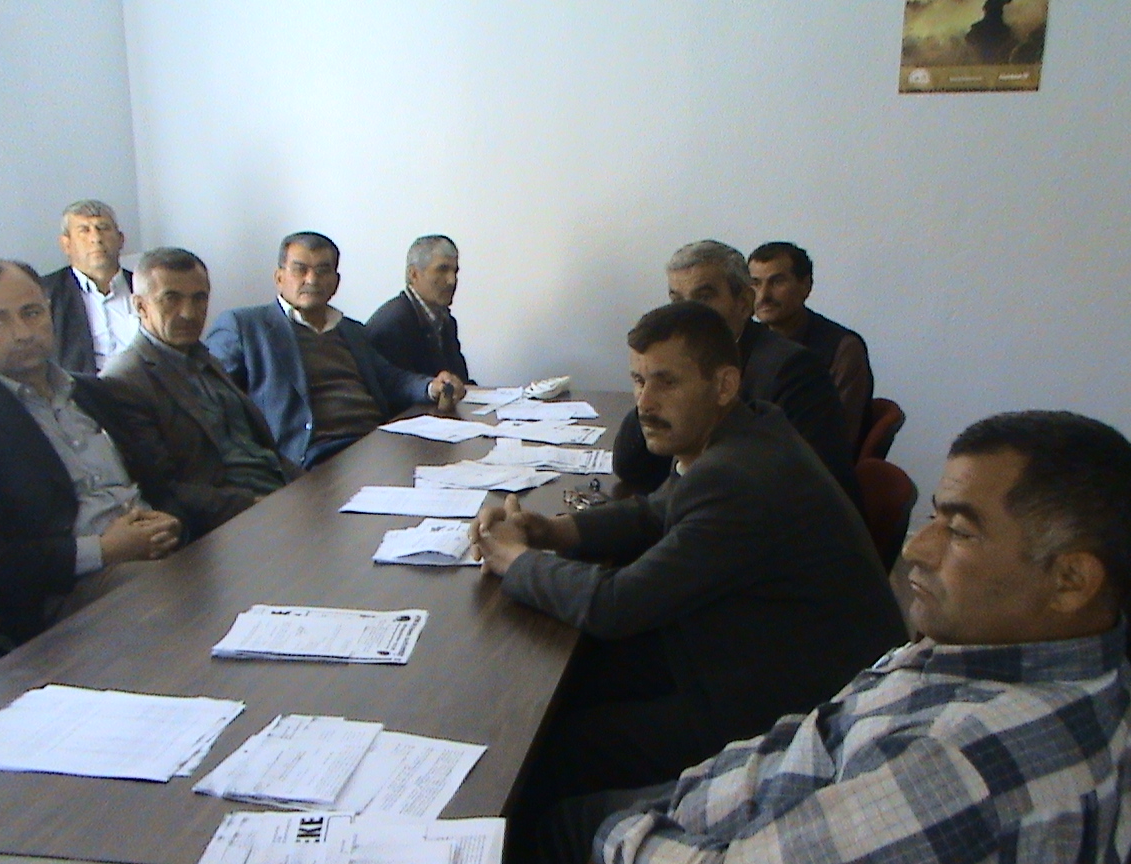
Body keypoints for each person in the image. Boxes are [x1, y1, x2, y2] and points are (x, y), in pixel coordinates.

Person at [559, 410, 1131, 864]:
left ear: (1071, 581)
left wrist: (617, 831)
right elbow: (825, 734)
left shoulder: (964, 763)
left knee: (552, 806)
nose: (917, 548)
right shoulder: (997, 647)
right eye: (934, 517)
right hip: (742, 791)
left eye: (959, 531)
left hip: (698, 834)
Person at [473, 302, 904, 846]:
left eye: (666, 382)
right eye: (638, 380)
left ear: (724, 385)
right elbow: (654, 511)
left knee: (556, 749)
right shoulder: (746, 430)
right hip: (749, 650)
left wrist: (516, 560)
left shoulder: (738, 476)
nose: (644, 402)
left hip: (784, 708)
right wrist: (550, 531)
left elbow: (615, 605)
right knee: (574, 687)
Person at [0, 259, 181, 645]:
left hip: (157, 552)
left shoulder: (92, 392)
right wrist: (103, 551)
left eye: (31, 312)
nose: (22, 332)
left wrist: (171, 521)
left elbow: (157, 480)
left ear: (49, 311)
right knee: (176, 597)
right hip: (66, 589)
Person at [612, 240, 859, 505]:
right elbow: (631, 466)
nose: (686, 314)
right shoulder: (681, 362)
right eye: (677, 301)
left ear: (744, 303)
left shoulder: (793, 370)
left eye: (703, 298)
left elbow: (797, 491)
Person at [204, 232, 466, 468]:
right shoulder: (245, 326)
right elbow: (215, 404)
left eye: (323, 270)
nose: (312, 279)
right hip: (314, 457)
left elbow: (390, 379)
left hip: (376, 444)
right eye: (300, 270)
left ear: (336, 281)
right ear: (279, 278)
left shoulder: (351, 330)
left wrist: (431, 387)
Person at [100, 248, 301, 539]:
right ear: (140, 306)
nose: (189, 313)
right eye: (171, 299)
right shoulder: (124, 380)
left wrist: (307, 486)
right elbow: (162, 488)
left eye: (199, 298)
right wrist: (259, 506)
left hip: (281, 493)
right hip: (231, 523)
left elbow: (255, 446)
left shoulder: (203, 357)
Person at [748, 241, 874, 453]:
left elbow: (836, 437)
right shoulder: (748, 342)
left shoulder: (843, 348)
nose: (763, 296)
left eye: (777, 282)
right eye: (755, 284)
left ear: (805, 286)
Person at [39, 199, 139, 373]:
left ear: (121, 239)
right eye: (84, 230)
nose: (96, 238)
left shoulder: (145, 287)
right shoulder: (45, 293)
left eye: (103, 228)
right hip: (78, 388)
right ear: (66, 244)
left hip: (144, 385)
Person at [365, 234, 473, 382]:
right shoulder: (391, 325)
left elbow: (461, 382)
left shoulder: (445, 321)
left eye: (455, 271)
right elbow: (396, 390)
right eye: (442, 270)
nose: (452, 280)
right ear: (414, 275)